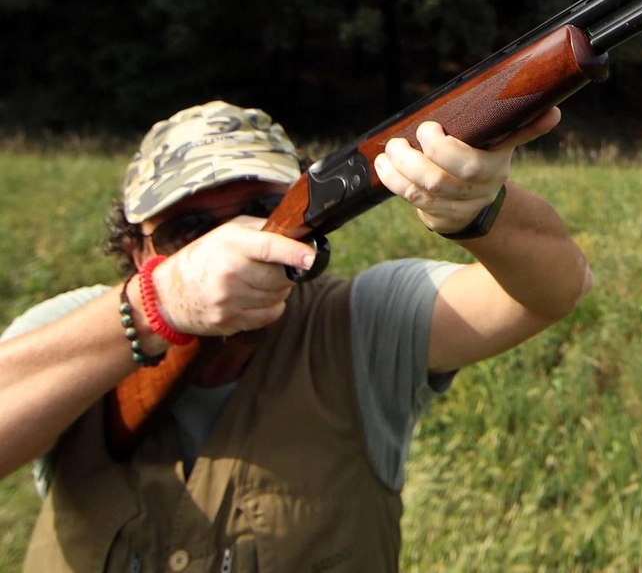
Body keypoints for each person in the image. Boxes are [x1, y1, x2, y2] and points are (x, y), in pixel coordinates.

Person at [0, 100, 593, 572]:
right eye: (190, 228)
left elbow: (555, 289)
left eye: (260, 207)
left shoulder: (362, 321)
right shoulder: (77, 332)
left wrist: (480, 208)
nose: (229, 242)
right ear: (137, 249)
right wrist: (157, 306)